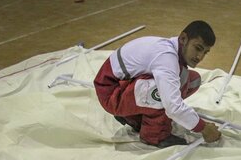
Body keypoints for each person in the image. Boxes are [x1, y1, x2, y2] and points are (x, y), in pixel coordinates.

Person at [93, 20, 222, 148]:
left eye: (205, 52)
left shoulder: (169, 49)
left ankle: (132, 116)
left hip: (120, 86)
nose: (200, 57)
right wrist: (204, 128)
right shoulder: (167, 58)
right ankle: (154, 135)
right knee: (173, 85)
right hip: (110, 93)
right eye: (198, 48)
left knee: (192, 80)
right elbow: (172, 107)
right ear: (183, 39)